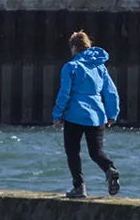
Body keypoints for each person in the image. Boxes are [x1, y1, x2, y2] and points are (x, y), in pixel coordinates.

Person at [51, 30, 121, 199]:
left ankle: (79, 187)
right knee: (96, 152)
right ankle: (110, 168)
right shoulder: (99, 67)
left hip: (75, 115)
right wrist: (112, 114)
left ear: (74, 47)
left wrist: (58, 115)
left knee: (73, 151)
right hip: (97, 116)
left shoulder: (70, 67)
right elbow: (111, 92)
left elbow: (65, 93)